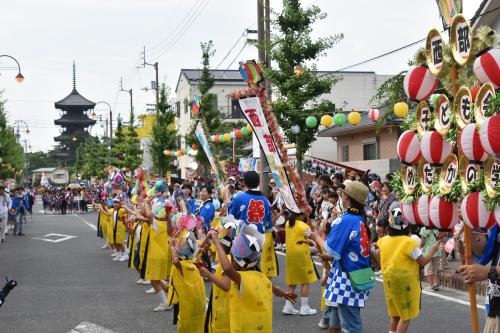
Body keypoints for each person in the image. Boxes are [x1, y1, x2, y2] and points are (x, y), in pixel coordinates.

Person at [311, 181, 372, 333]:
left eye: (343, 194)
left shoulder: (345, 220)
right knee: (338, 322)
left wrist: (315, 236)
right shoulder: (360, 219)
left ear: (346, 198)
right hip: (356, 274)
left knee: (351, 326)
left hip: (346, 278)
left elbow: (331, 250)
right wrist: (330, 256)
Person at [373, 205, 443, 333]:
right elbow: (422, 262)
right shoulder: (409, 242)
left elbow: (376, 252)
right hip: (406, 284)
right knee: (405, 316)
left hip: (389, 281)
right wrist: (433, 249)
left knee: (395, 313)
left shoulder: (383, 241)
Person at [228, 171, 275, 277]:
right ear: (259, 182)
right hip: (258, 242)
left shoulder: (238, 198)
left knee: (237, 275)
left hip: (240, 241)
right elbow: (268, 227)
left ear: (244, 182)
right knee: (254, 273)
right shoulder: (265, 201)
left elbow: (229, 220)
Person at [458, 225, 500, 333]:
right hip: (495, 299)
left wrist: (489, 271)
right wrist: (470, 225)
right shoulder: (496, 222)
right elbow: (483, 251)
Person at [282, 209, 319, 316]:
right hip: (301, 254)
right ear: (301, 215)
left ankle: (288, 305)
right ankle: (304, 307)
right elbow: (313, 235)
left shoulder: (288, 223)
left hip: (290, 253)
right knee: (305, 281)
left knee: (292, 281)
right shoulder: (303, 225)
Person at [168, 231, 206, 333]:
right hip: (198, 301)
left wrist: (171, 246)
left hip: (187, 303)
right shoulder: (194, 260)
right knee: (198, 325)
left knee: (186, 326)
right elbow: (198, 247)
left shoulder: (183, 265)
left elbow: (175, 261)